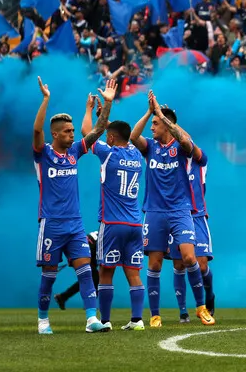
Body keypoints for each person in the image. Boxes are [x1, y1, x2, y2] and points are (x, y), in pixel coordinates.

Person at [33, 76, 113, 335]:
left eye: (71, 131)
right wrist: (46, 99)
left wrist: (107, 105)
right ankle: (43, 320)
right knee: (49, 274)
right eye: (67, 132)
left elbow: (97, 131)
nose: (72, 135)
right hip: (51, 224)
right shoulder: (43, 153)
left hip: (75, 224)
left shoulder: (74, 152)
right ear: (54, 134)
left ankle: (91, 319)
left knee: (86, 271)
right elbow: (36, 132)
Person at [130, 90, 215, 327]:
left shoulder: (181, 149)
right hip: (155, 211)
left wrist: (163, 116)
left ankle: (201, 308)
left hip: (180, 210)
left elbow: (186, 141)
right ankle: (155, 315)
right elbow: (133, 137)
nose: (152, 127)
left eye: (156, 124)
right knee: (155, 264)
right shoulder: (150, 148)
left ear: (167, 126)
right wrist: (149, 113)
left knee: (189, 258)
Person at [80, 92, 147, 331]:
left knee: (106, 271)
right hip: (136, 224)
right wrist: (107, 121)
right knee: (133, 273)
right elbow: (122, 134)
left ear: (110, 137)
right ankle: (137, 321)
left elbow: (87, 135)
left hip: (111, 223)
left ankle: (106, 320)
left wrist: (89, 111)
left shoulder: (108, 153)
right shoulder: (137, 155)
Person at [168, 149, 216, 323]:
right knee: (179, 263)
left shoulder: (200, 161)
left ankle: (209, 297)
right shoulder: (170, 162)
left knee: (201, 265)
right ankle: (183, 312)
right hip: (177, 216)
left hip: (197, 217)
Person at [53, 232, 99, 310]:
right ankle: (89, 304)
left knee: (88, 279)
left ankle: (63, 297)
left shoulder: (105, 233)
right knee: (94, 278)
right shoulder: (110, 237)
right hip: (82, 253)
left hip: (80, 251)